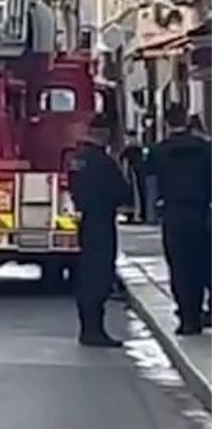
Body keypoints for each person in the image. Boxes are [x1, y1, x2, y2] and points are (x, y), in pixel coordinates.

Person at [68, 114, 131, 347]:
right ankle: (95, 330)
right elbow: (122, 192)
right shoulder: (103, 162)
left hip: (86, 220)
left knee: (88, 274)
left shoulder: (78, 159)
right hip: (102, 220)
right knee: (100, 274)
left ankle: (88, 327)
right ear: (103, 134)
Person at [149, 104, 212, 335]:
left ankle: (188, 318)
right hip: (202, 212)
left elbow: (149, 172)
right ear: (186, 120)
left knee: (180, 267)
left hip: (174, 214)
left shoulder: (160, 150)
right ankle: (210, 309)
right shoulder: (205, 149)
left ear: (166, 122)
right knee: (204, 264)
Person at [120, 131, 147, 224]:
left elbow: (124, 163)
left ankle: (135, 214)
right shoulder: (138, 149)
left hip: (133, 174)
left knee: (135, 194)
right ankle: (136, 214)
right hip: (137, 174)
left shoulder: (130, 150)